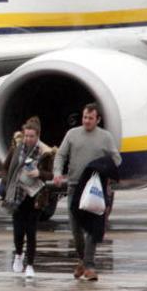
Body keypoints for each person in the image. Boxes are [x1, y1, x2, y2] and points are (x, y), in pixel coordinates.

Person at [53, 102, 122, 281]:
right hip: (75, 186)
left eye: (91, 118)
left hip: (95, 188)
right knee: (76, 228)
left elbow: (116, 159)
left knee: (93, 227)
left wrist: (103, 167)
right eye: (85, 117)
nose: (87, 121)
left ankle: (89, 265)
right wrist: (57, 173)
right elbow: (60, 155)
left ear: (97, 120)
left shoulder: (105, 137)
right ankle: (82, 260)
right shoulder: (72, 134)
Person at [1, 117, 54, 279]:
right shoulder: (17, 148)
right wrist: (9, 181)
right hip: (17, 195)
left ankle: (30, 264)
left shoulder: (45, 153)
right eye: (26, 136)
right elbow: (6, 166)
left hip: (34, 196)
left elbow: (50, 175)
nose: (28, 139)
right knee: (18, 231)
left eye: (32, 136)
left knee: (31, 232)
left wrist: (39, 173)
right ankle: (18, 255)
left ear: (37, 136)